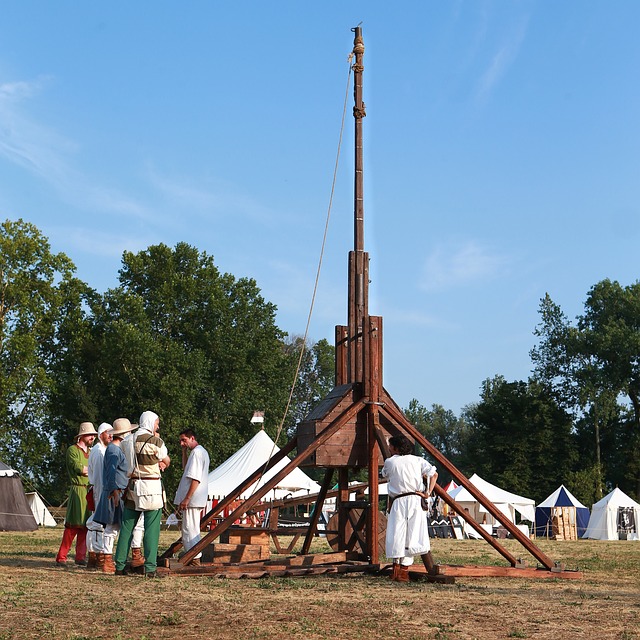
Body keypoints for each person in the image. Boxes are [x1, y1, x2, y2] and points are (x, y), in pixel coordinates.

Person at [114, 410, 170, 577]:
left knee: (126, 528)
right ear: (150, 423)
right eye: (156, 423)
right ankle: (151, 568)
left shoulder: (127, 441)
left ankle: (119, 565)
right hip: (151, 488)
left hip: (132, 487)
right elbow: (166, 460)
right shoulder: (156, 442)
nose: (157, 426)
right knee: (151, 528)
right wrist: (161, 462)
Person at [381, 434, 438, 583]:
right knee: (411, 535)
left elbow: (385, 475)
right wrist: (427, 493)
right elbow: (434, 474)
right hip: (415, 499)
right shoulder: (418, 460)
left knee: (396, 533)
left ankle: (397, 569)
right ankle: (403, 572)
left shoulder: (390, 462)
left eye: (390, 446)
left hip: (399, 500)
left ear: (395, 448)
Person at [93, 418, 136, 573]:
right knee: (111, 527)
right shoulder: (113, 450)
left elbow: (118, 471)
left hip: (117, 490)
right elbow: (111, 473)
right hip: (114, 493)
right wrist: (115, 492)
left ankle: (109, 559)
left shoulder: (115, 449)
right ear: (124, 433)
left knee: (115, 527)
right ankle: (107, 560)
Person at [55, 422, 98, 566]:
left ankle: (80, 557)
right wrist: (93, 470)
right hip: (78, 490)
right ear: (83, 435)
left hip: (89, 490)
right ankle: (61, 557)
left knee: (86, 526)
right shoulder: (72, 450)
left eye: (94, 435)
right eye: (91, 435)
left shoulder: (92, 452)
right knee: (72, 526)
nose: (93, 437)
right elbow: (80, 468)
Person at [174, 429, 210, 566]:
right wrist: (183, 452)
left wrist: (187, 498)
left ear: (192, 438)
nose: (182, 443)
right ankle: (192, 555)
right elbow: (186, 469)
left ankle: (194, 557)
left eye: (184, 440)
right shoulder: (199, 453)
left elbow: (195, 478)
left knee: (190, 528)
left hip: (193, 498)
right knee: (190, 527)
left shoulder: (197, 453)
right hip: (195, 498)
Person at [85, 422, 113, 570]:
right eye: (108, 432)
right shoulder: (98, 451)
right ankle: (96, 556)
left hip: (100, 491)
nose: (110, 435)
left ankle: (95, 555)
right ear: (101, 434)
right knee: (97, 523)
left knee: (98, 523)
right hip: (99, 491)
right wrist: (103, 494)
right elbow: (98, 477)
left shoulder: (102, 450)